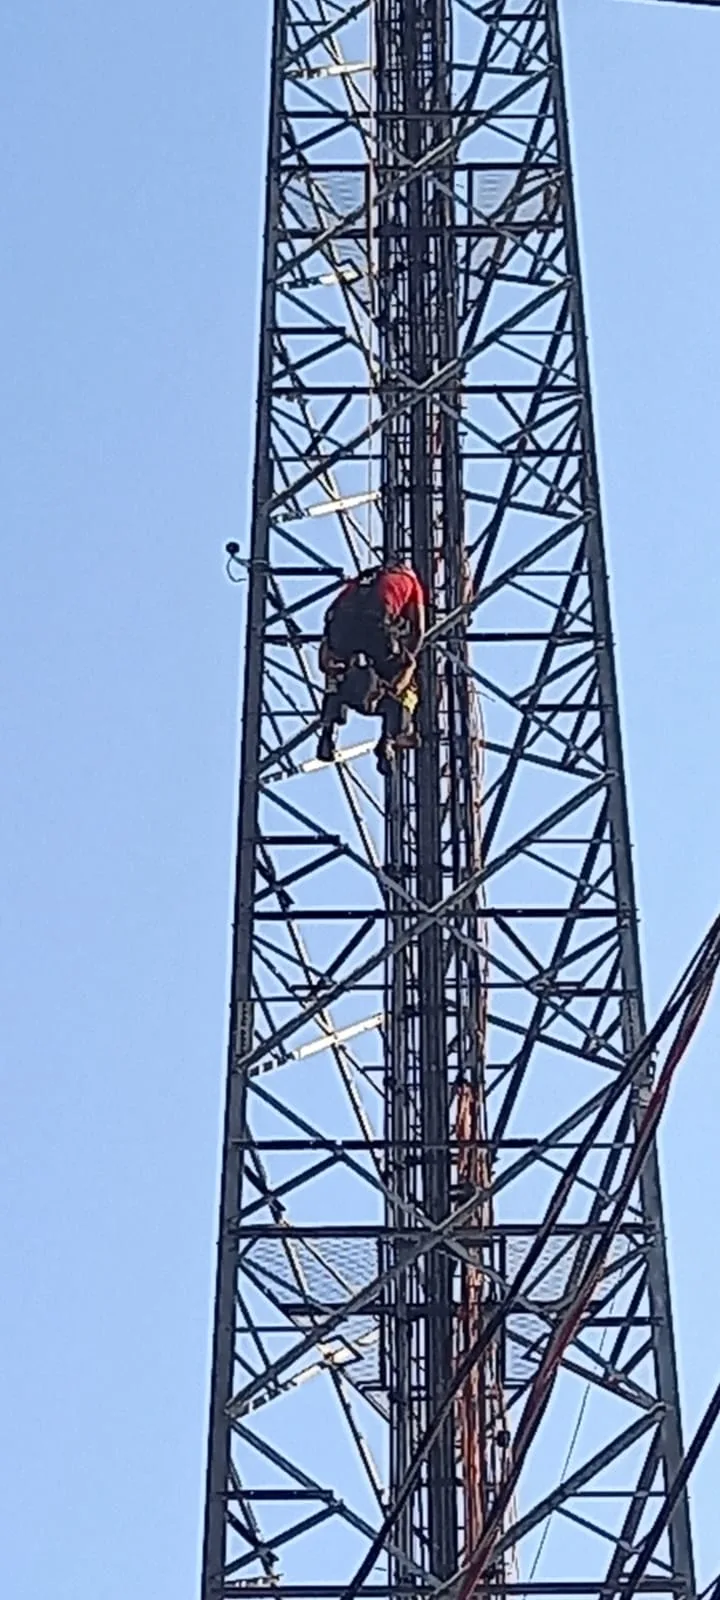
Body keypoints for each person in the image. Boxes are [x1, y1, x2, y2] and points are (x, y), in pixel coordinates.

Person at [316, 560, 425, 772]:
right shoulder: (411, 581)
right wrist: (404, 663)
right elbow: (418, 631)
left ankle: (327, 730)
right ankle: (390, 739)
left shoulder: (360, 582)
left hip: (341, 627)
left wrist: (328, 657)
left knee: (338, 674)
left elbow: (330, 616)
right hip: (376, 624)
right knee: (407, 673)